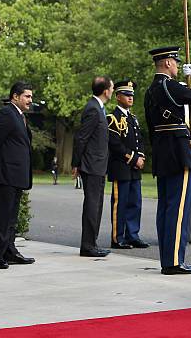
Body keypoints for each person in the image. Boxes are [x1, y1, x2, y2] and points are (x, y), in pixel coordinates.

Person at [144, 46, 191, 275]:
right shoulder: (170, 86)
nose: (176, 65)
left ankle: (167, 258)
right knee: (178, 208)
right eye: (175, 61)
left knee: (165, 207)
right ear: (168, 63)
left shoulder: (150, 90)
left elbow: (151, 128)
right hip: (179, 152)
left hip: (162, 152)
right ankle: (173, 261)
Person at [0, 82, 36, 269]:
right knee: (3, 217)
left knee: (12, 218)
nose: (30, 100)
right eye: (27, 96)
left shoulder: (19, 116)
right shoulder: (6, 114)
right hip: (5, 175)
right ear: (15, 96)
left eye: (31, 96)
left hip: (16, 176)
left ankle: (9, 251)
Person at [72, 76, 114, 258]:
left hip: (98, 165)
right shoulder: (93, 109)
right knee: (92, 205)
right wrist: (76, 163)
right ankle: (88, 245)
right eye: (112, 88)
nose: (113, 90)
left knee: (96, 205)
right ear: (106, 90)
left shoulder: (99, 109)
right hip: (92, 165)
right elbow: (82, 138)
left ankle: (91, 244)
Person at [107, 80, 150, 249]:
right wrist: (134, 159)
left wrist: (141, 158)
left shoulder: (133, 118)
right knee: (120, 203)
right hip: (121, 167)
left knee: (135, 202)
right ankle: (117, 238)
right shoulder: (113, 118)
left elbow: (140, 141)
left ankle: (133, 235)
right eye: (126, 94)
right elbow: (115, 144)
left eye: (132, 95)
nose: (130, 97)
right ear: (118, 97)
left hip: (134, 168)